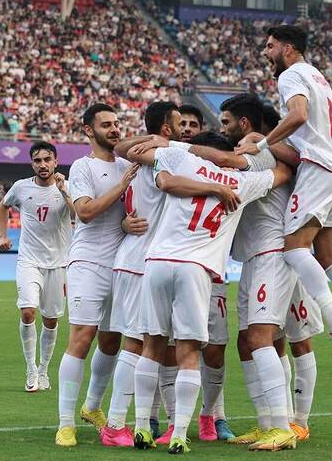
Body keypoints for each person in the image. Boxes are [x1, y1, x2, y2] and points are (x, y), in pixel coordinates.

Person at [128, 138, 292, 454]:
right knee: (189, 352)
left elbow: (149, 166)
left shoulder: (181, 160)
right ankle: (179, 434)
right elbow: (284, 172)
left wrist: (182, 149)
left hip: (157, 261)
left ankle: (141, 427)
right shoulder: (243, 182)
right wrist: (258, 146)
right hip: (196, 268)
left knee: (151, 346)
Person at [237, 25, 332, 371]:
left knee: (293, 248)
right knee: (329, 255)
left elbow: (299, 114)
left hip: (318, 167)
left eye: (270, 46)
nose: (266, 52)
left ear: (287, 49)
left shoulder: (290, 75)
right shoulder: (318, 76)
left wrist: (262, 142)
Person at [100, 102, 238, 447]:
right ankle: (123, 423)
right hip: (153, 260)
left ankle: (181, 420)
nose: (184, 129)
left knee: (171, 345)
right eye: (179, 123)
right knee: (147, 344)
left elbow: (126, 151)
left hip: (154, 259)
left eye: (191, 124)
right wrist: (215, 186)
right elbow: (165, 181)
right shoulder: (168, 156)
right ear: (166, 128)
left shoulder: (164, 153)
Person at [55, 103, 138, 448]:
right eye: (106, 124)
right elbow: (85, 212)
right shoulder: (82, 166)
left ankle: (92, 406)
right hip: (88, 262)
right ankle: (65, 424)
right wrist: (121, 186)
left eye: (117, 123)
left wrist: (126, 223)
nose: (115, 129)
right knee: (82, 337)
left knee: (111, 341)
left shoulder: (127, 165)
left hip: (119, 264)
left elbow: (126, 215)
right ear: (89, 131)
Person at [0, 141, 72, 392]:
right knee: (28, 312)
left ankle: (43, 369)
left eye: (47, 159)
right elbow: (3, 206)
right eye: (38, 160)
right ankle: (30, 368)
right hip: (28, 260)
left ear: (56, 162)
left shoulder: (67, 187)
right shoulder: (21, 187)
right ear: (32, 164)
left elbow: (78, 216)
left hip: (58, 263)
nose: (43, 164)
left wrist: (64, 192)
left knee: (50, 320)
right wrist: (2, 236)